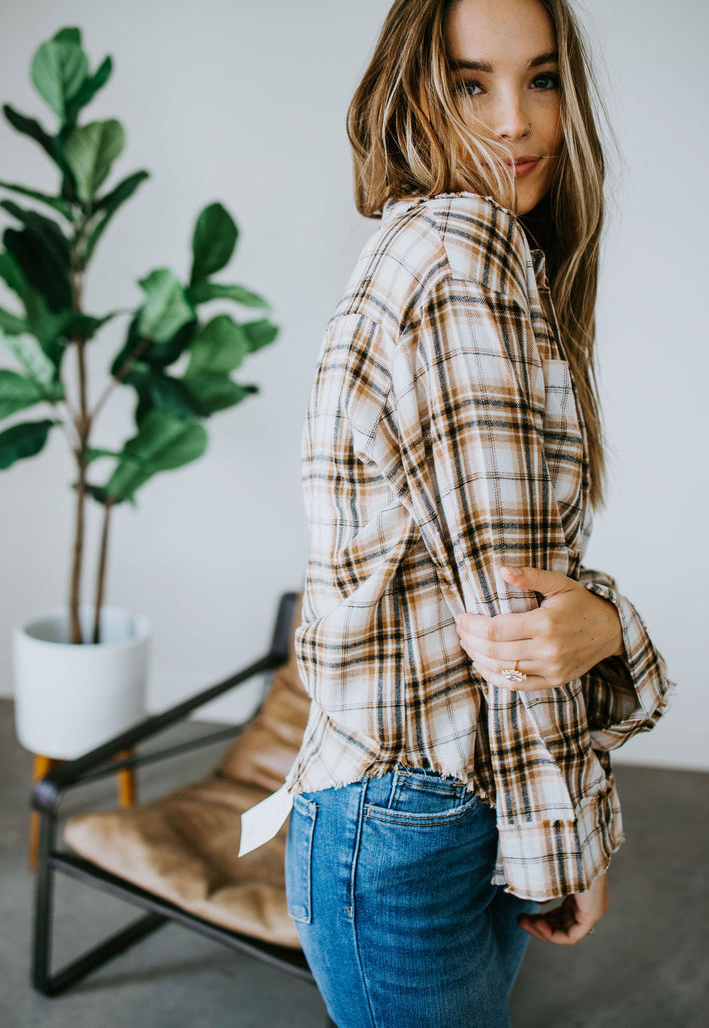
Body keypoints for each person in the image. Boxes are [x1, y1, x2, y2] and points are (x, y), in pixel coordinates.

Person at [248, 2, 675, 1025]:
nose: (515, 123)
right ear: (416, 88)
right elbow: (520, 628)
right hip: (412, 821)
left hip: (431, 806)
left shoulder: (473, 256)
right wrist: (567, 847)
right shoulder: (456, 258)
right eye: (473, 82)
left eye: (541, 79)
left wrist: (599, 622)